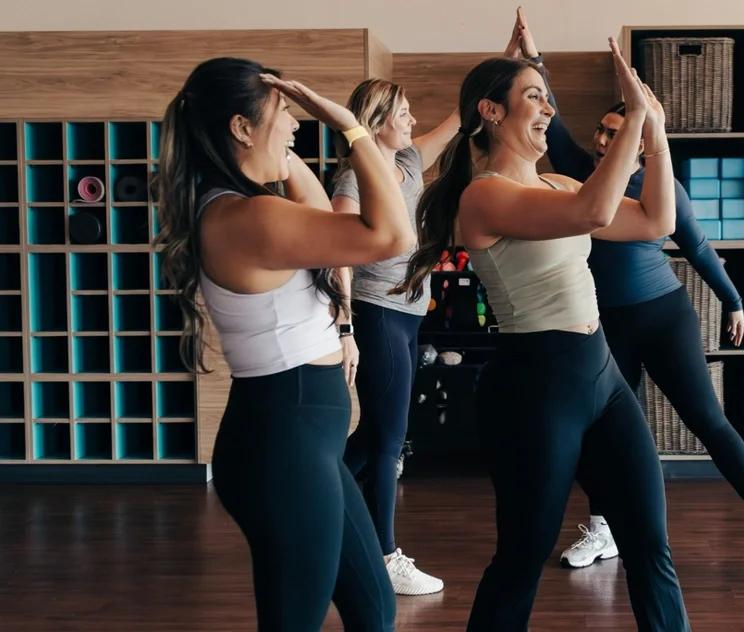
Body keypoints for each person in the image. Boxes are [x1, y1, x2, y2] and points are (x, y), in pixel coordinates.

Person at [396, 38, 690, 630]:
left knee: (649, 545)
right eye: (535, 96)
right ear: (491, 111)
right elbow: (595, 214)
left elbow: (657, 221)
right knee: (524, 556)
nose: (549, 108)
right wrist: (635, 119)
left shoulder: (558, 185)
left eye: (548, 97)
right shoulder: (484, 196)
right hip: (535, 384)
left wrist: (655, 141)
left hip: (601, 375)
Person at [501, 9, 744, 567]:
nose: (602, 137)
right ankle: (602, 527)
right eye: (602, 131)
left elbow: (700, 249)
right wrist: (533, 57)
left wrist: (733, 300)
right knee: (605, 431)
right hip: (604, 323)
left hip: (662, 314)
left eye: (617, 132)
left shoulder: (662, 186)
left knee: (705, 416)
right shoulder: (578, 170)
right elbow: (552, 119)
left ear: (640, 142)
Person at [154, 57, 414, 631]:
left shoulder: (237, 206)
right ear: (241, 128)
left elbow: (324, 224)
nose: (297, 125)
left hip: (296, 440)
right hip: (284, 446)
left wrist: (282, 149)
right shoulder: (249, 217)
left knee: (374, 607)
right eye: (286, 115)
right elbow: (392, 235)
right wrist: (350, 127)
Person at [331, 77, 459, 596]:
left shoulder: (405, 164)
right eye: (403, 113)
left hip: (407, 315)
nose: (411, 121)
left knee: (377, 433)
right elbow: (336, 251)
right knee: (387, 440)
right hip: (375, 313)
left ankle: (311, 496)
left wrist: (509, 61)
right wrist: (345, 328)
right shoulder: (352, 180)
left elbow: (455, 124)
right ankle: (385, 555)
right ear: (377, 121)